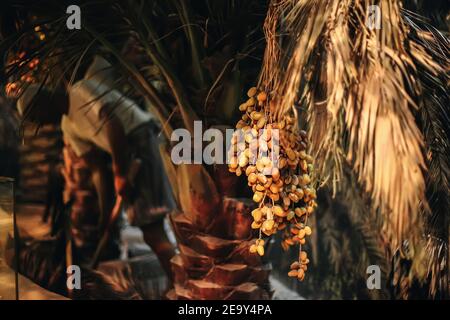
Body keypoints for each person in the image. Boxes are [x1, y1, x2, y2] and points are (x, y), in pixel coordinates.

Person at [17, 56, 176, 283]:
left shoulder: (79, 91)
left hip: (139, 139)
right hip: (125, 154)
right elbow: (97, 170)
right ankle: (175, 282)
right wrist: (104, 216)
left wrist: (120, 174)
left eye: (36, 117)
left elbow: (114, 125)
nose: (41, 124)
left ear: (43, 100)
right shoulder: (67, 125)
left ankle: (181, 287)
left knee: (152, 227)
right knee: (150, 231)